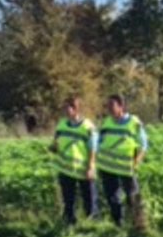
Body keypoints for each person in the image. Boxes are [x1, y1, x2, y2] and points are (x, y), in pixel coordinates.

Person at [97, 94, 149, 230]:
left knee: (133, 196)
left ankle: (138, 225)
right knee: (112, 197)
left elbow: (143, 144)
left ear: (121, 106)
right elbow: (99, 142)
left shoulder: (134, 123)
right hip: (108, 166)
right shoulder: (106, 122)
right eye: (108, 106)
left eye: (112, 105)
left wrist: (137, 161)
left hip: (126, 167)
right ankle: (118, 225)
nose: (109, 108)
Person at [50, 97, 99, 225]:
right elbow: (56, 142)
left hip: (83, 168)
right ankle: (69, 223)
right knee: (68, 199)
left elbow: (93, 148)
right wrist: (53, 148)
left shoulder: (87, 127)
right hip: (66, 168)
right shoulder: (61, 125)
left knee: (89, 198)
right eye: (65, 108)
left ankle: (92, 224)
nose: (65, 111)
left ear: (76, 109)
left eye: (68, 108)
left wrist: (91, 166)